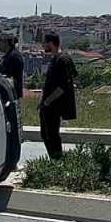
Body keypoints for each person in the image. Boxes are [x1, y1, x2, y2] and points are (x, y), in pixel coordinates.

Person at [39, 32, 77, 160]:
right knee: (46, 134)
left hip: (54, 104)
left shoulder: (62, 60)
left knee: (52, 134)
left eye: (44, 43)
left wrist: (48, 101)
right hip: (48, 103)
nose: (43, 46)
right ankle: (54, 159)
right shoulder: (55, 59)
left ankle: (57, 160)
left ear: (50, 43)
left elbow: (63, 86)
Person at [0, 32, 25, 100]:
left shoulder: (14, 57)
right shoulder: (9, 55)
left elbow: (6, 79)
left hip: (10, 98)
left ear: (5, 42)